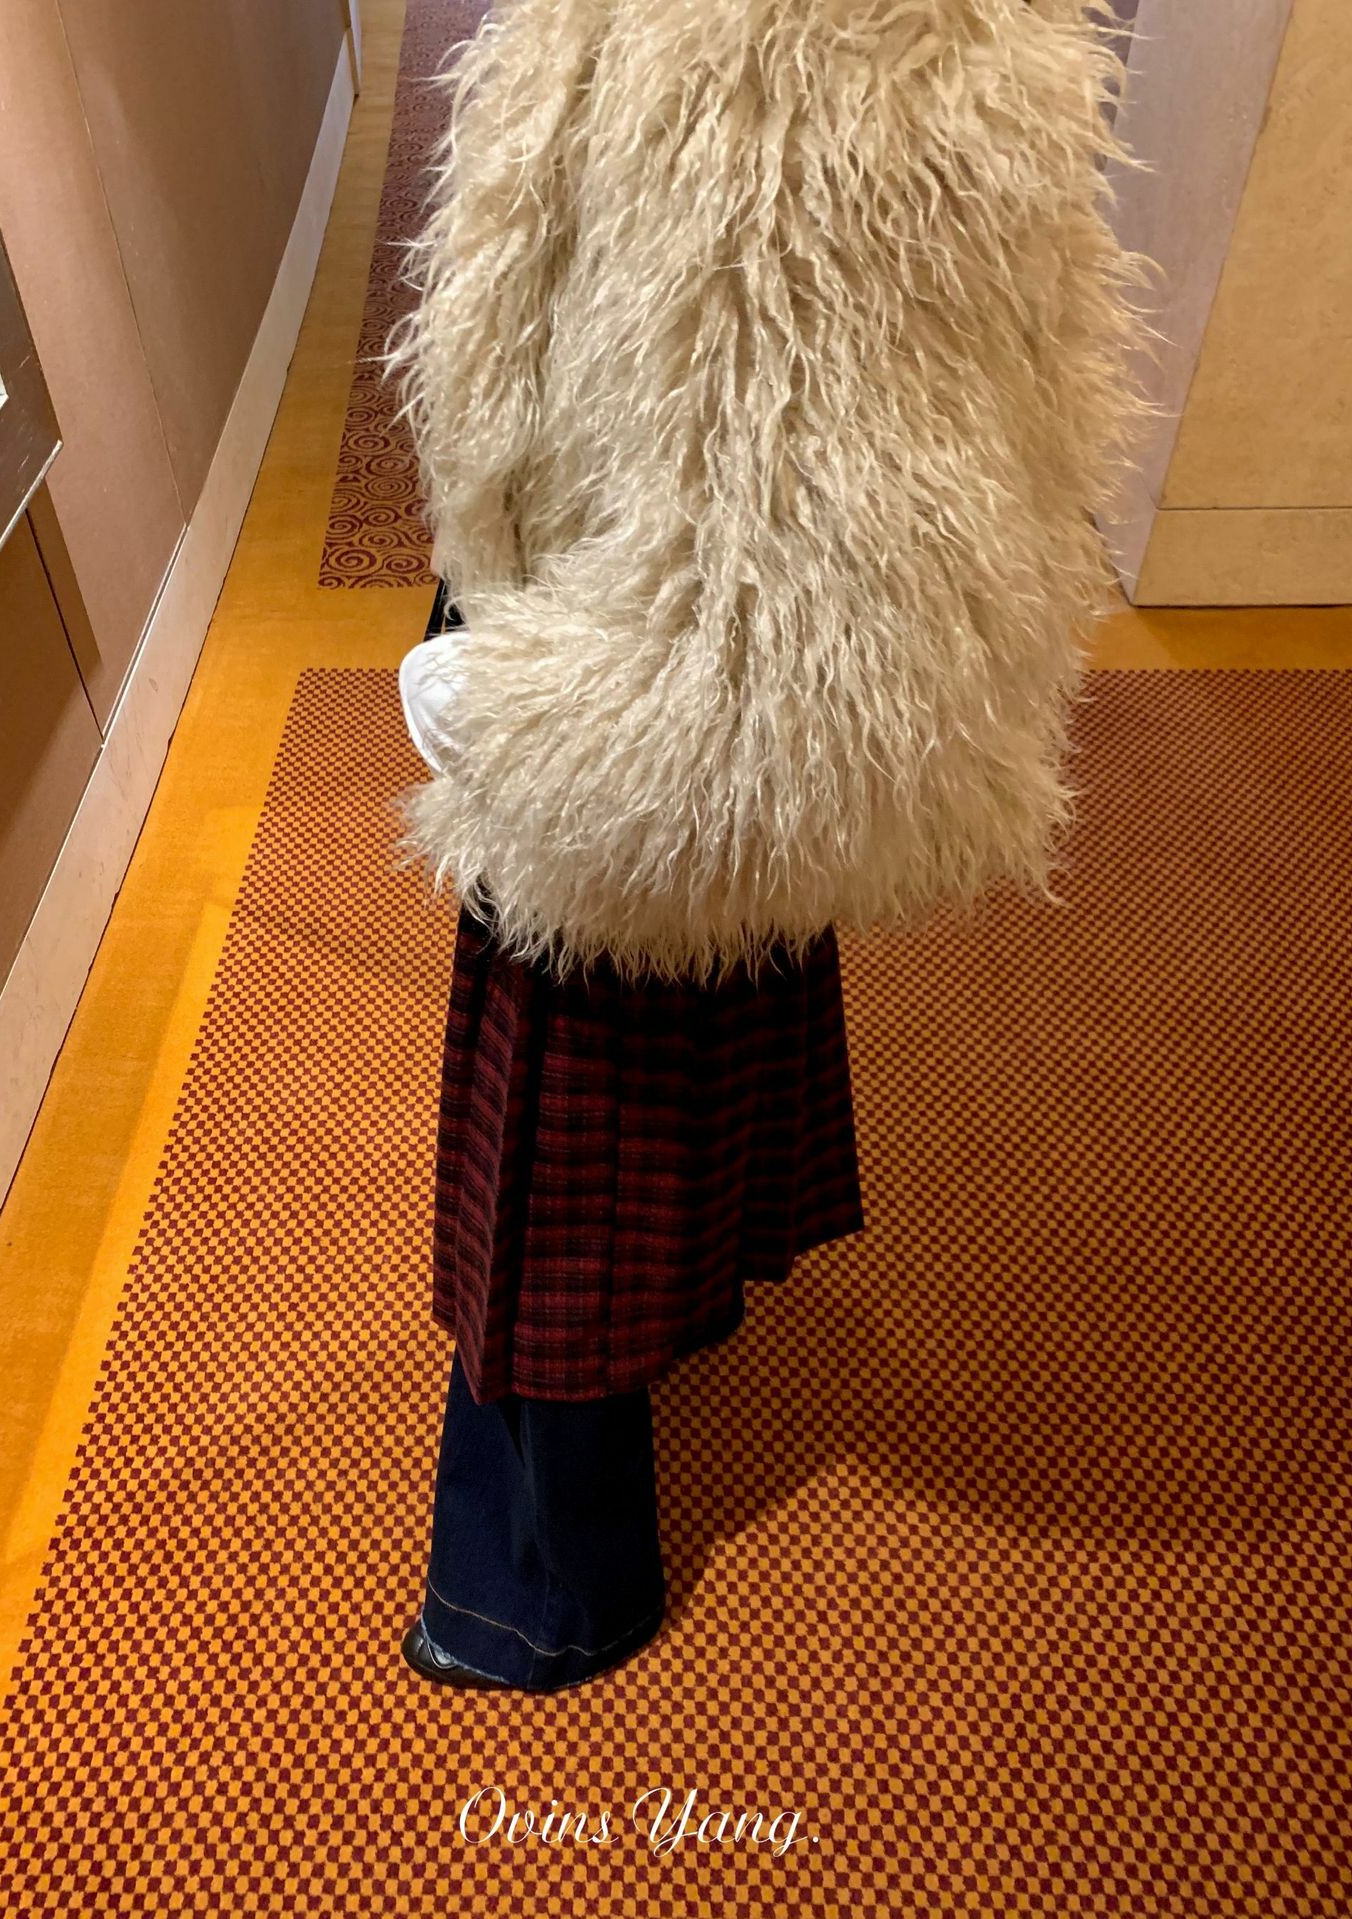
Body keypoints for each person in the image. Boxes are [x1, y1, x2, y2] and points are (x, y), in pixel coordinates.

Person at [387, 0, 1151, 1691]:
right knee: (689, 992)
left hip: (637, 684)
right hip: (598, 582)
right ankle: (695, 1292)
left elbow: (814, 564)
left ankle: (547, 1585)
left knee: (571, 1100)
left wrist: (534, 712)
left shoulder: (831, 66)